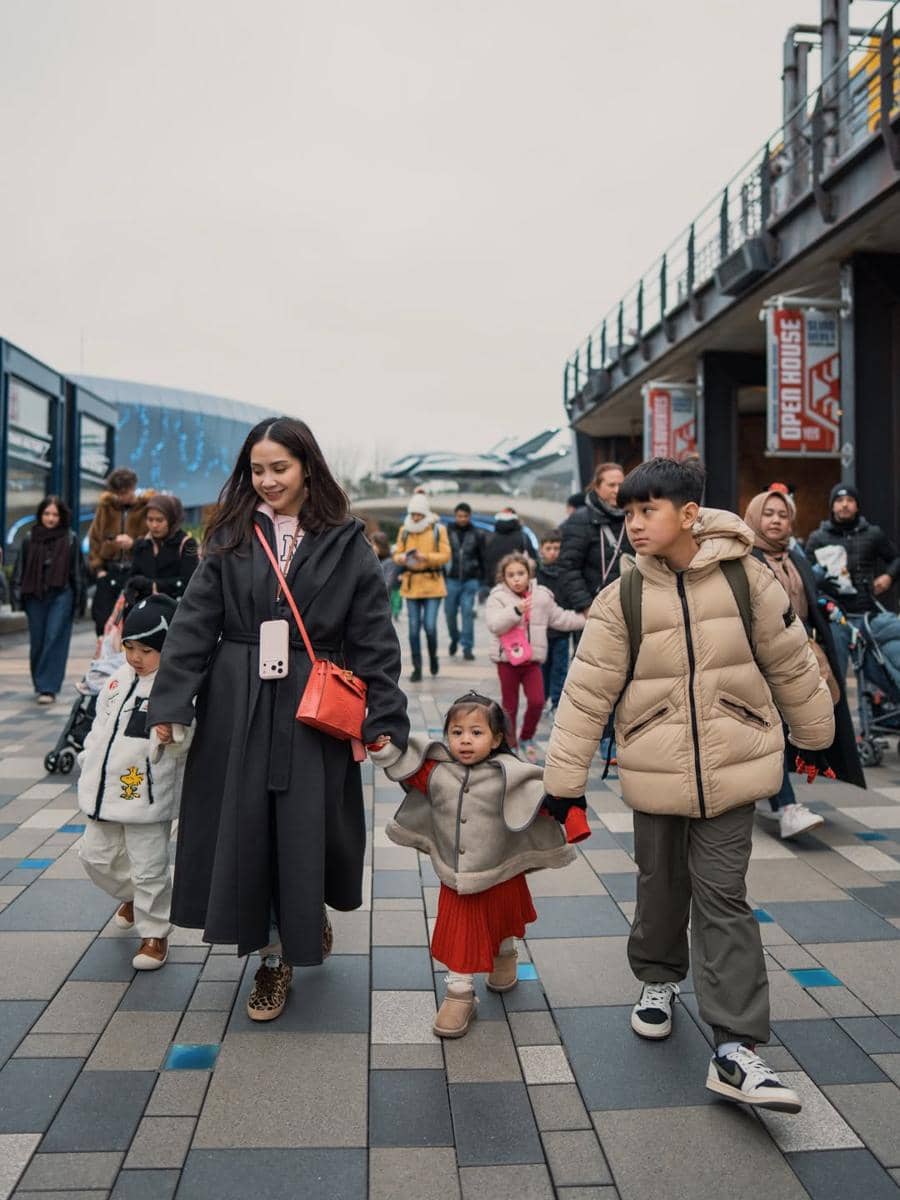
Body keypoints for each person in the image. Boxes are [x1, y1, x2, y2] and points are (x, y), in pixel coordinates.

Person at [544, 457, 834, 1114]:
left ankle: (735, 1046)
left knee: (724, 896)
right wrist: (564, 784)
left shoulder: (746, 578)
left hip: (735, 768)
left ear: (689, 513)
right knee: (661, 885)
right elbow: (586, 695)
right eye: (629, 513)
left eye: (648, 511)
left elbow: (790, 659)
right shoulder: (623, 596)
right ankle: (656, 977)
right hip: (654, 769)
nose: (636, 523)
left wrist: (817, 737)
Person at [147, 417, 408, 1022]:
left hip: (312, 704)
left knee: (301, 825)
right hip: (235, 700)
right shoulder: (231, 535)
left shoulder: (348, 542)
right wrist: (170, 703)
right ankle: (272, 959)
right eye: (257, 470)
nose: (266, 481)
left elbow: (374, 637)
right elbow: (192, 623)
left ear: (307, 466)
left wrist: (385, 716)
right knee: (245, 827)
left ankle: (302, 914)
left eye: (279, 468)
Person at [369, 692, 582, 1038]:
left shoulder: (511, 775)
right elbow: (405, 767)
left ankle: (504, 954)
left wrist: (568, 807)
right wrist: (384, 748)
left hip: (500, 866)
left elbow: (541, 800)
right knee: (461, 931)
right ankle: (459, 992)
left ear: (497, 738)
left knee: (501, 912)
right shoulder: (437, 771)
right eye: (456, 732)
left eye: (476, 732)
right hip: (456, 874)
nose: (465, 739)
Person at [744, 489, 866, 839]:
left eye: (783, 514)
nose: (776, 520)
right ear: (754, 517)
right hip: (760, 662)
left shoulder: (794, 558)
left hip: (799, 659)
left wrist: (825, 607)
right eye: (768, 513)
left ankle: (771, 794)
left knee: (786, 730)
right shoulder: (745, 560)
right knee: (773, 731)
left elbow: (809, 599)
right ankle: (786, 807)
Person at [77, 594, 190, 970]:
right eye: (129, 646)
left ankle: (155, 932)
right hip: (102, 791)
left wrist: (172, 733)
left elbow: (187, 739)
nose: (135, 657)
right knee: (94, 856)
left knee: (148, 866)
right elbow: (98, 729)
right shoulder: (116, 680)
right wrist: (86, 759)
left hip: (145, 795)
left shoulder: (175, 686)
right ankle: (132, 896)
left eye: (146, 649)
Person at [486, 552, 585, 762]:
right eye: (510, 574)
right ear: (503, 577)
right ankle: (510, 743)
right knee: (509, 706)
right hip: (508, 662)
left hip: (532, 661)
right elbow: (494, 624)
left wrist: (586, 618)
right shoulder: (498, 597)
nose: (516, 579)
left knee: (538, 701)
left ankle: (526, 737)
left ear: (529, 574)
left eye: (520, 573)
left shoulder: (542, 596)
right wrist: (515, 610)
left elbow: (560, 618)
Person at [805, 483, 900, 686]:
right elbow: (804, 576)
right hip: (833, 618)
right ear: (832, 506)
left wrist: (888, 577)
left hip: (868, 615)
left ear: (857, 506)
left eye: (850, 500)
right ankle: (838, 716)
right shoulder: (818, 538)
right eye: (839, 501)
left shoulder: (873, 534)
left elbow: (896, 559)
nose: (845, 505)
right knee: (835, 676)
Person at [11, 496, 87, 705]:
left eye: (55, 514)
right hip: (35, 595)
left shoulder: (70, 538)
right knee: (38, 641)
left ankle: (49, 687)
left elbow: (78, 574)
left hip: (62, 594)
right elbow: (20, 569)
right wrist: (16, 598)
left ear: (62, 516)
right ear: (40, 515)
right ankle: (40, 682)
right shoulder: (29, 538)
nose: (51, 518)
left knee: (55, 637)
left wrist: (79, 604)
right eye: (47, 513)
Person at [87, 468, 155, 635]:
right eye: (117, 493)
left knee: (133, 623)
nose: (121, 496)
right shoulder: (106, 507)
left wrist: (133, 544)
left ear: (133, 487)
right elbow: (94, 538)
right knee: (103, 623)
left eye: (125, 492)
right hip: (110, 572)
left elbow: (153, 540)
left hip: (136, 572)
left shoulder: (146, 507)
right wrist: (99, 570)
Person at [559, 462, 630, 614]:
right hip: (596, 607)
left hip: (631, 605)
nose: (617, 490)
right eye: (611, 485)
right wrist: (585, 605)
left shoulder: (633, 515)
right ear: (597, 487)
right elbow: (568, 566)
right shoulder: (580, 519)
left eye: (621, 484)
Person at [393, 495, 451, 682]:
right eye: (413, 514)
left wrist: (424, 556)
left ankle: (433, 658)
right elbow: (397, 553)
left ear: (425, 513)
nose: (416, 517)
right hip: (411, 584)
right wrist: (401, 558)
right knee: (412, 629)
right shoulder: (404, 530)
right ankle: (417, 667)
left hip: (432, 583)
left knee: (430, 627)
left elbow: (445, 555)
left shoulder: (438, 529)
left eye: (419, 514)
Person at [128, 494, 199, 601]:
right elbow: (132, 577)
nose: (154, 525)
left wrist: (152, 585)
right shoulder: (142, 544)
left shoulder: (188, 544)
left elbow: (188, 582)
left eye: (159, 520)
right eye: (150, 519)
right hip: (143, 609)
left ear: (171, 520)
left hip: (173, 610)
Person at [444, 503, 487, 661]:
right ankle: (455, 638)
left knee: (468, 613)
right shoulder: (447, 532)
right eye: (459, 516)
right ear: (455, 516)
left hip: (470, 580)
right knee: (450, 613)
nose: (462, 519)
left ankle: (467, 647)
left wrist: (483, 580)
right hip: (451, 578)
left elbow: (483, 557)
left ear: (470, 516)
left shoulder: (477, 534)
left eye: (465, 516)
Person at [537, 530, 570, 712]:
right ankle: (542, 699)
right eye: (549, 548)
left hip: (562, 629)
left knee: (560, 667)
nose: (553, 552)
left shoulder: (567, 572)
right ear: (541, 549)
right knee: (543, 667)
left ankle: (556, 701)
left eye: (557, 548)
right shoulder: (536, 574)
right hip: (540, 630)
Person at [483, 506, 538, 590]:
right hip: (518, 583)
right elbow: (533, 559)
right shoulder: (523, 537)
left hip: (494, 583)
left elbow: (485, 561)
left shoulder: (490, 537)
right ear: (516, 519)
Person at [371, 531, 403, 621]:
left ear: (381, 545)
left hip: (381, 602)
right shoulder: (370, 558)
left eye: (374, 544)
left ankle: (396, 612)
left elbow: (388, 583)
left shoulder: (389, 562)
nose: (372, 546)